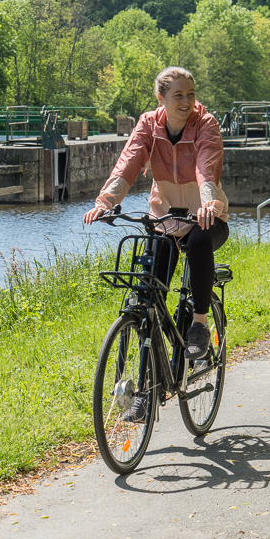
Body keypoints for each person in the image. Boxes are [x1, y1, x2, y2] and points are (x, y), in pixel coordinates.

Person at [84, 67, 230, 384]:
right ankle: (150, 387)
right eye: (178, 95)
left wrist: (208, 203)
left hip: (206, 217)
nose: (186, 101)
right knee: (150, 294)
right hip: (165, 218)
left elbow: (207, 168)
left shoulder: (206, 124)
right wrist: (105, 202)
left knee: (197, 244)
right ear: (160, 97)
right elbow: (129, 163)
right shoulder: (149, 126)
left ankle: (200, 324)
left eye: (190, 94)